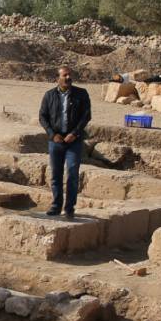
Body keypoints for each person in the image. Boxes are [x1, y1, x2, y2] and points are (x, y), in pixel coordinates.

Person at [39, 66, 92, 218]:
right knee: (56, 174)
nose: (68, 78)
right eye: (65, 75)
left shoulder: (81, 94)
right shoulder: (49, 95)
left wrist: (74, 133)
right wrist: (52, 134)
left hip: (73, 141)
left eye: (70, 75)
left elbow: (86, 116)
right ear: (58, 78)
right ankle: (56, 205)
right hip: (56, 140)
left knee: (73, 172)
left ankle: (69, 207)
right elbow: (43, 116)